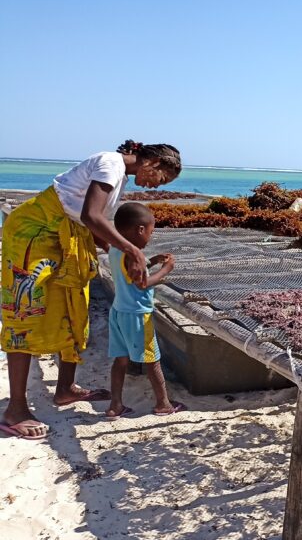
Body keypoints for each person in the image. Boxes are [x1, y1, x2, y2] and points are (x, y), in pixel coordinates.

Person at [1, 140, 182, 439]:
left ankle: (65, 388)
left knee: (72, 308)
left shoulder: (118, 176)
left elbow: (89, 223)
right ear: (153, 163)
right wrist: (132, 250)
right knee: (25, 312)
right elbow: (91, 216)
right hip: (33, 234)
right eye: (161, 179)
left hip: (65, 236)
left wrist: (119, 251)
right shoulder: (110, 164)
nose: (156, 187)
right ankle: (15, 409)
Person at [105, 203, 183, 418]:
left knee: (120, 360)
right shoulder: (133, 254)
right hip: (137, 315)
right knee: (152, 360)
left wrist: (151, 261)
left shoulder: (115, 249)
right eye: (150, 232)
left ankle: (115, 405)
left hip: (118, 312)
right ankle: (163, 404)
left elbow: (130, 273)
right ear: (140, 230)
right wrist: (165, 270)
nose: (150, 237)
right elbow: (142, 283)